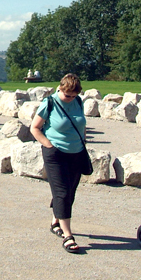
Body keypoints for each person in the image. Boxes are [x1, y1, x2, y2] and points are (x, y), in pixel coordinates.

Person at [30, 73, 87, 254]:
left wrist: (83, 144)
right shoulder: (50, 103)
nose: (70, 99)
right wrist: (48, 144)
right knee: (61, 192)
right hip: (56, 153)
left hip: (76, 152)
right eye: (67, 95)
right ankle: (68, 235)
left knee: (70, 190)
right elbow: (35, 127)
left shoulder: (78, 102)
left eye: (74, 96)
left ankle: (56, 220)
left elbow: (80, 125)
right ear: (60, 89)